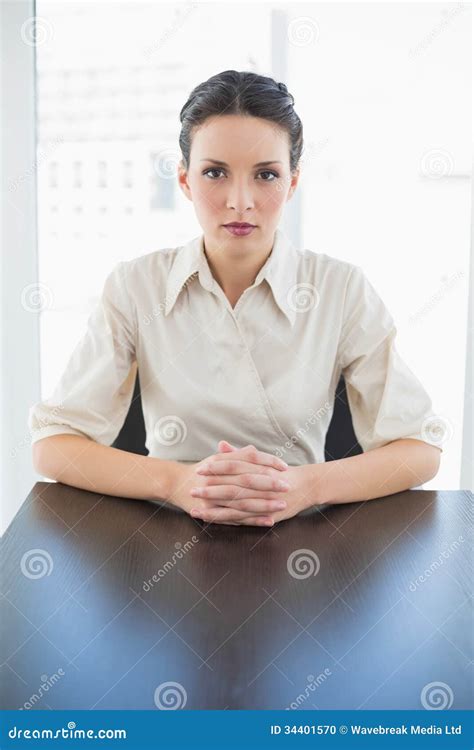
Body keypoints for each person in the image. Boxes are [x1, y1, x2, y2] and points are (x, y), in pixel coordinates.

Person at [29, 70, 442, 528]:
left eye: (266, 175)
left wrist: (304, 486)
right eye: (215, 173)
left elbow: (419, 450)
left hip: (298, 537)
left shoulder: (340, 289)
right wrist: (177, 483)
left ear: (292, 182)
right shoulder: (135, 285)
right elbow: (54, 444)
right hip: (166, 540)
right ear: (185, 181)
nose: (240, 201)